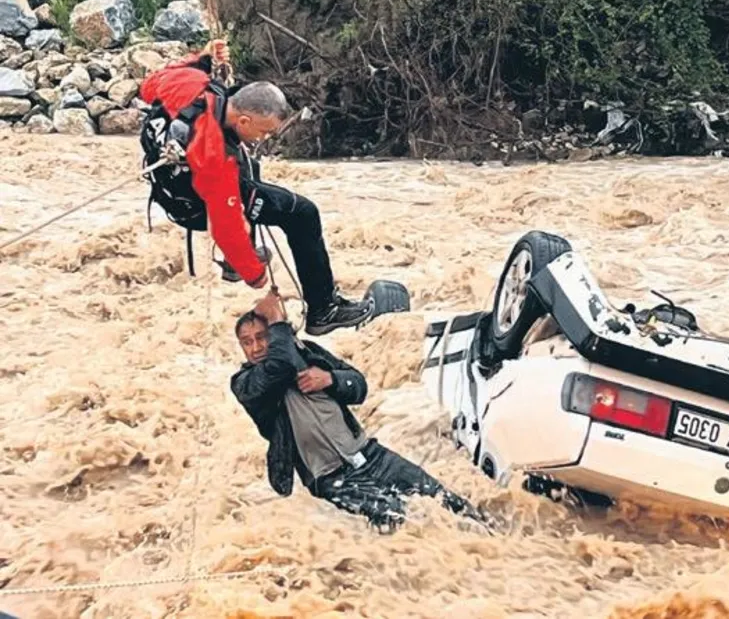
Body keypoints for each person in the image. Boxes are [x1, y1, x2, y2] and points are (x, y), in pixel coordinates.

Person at [138, 39, 371, 336]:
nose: (264, 139)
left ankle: (241, 262)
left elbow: (149, 87)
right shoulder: (215, 157)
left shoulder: (188, 81)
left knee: (252, 168)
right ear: (244, 119)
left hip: (168, 186)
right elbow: (225, 226)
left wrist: (202, 58)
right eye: (264, 132)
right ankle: (324, 310)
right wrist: (255, 274)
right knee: (302, 213)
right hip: (193, 205)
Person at [230, 291, 486, 532]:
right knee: (395, 519)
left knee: (444, 499)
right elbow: (281, 366)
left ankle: (495, 539)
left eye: (262, 337)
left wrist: (331, 379)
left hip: (370, 455)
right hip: (330, 478)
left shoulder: (307, 352)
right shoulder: (245, 383)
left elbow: (359, 386)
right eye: (247, 342)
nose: (255, 348)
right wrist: (275, 320)